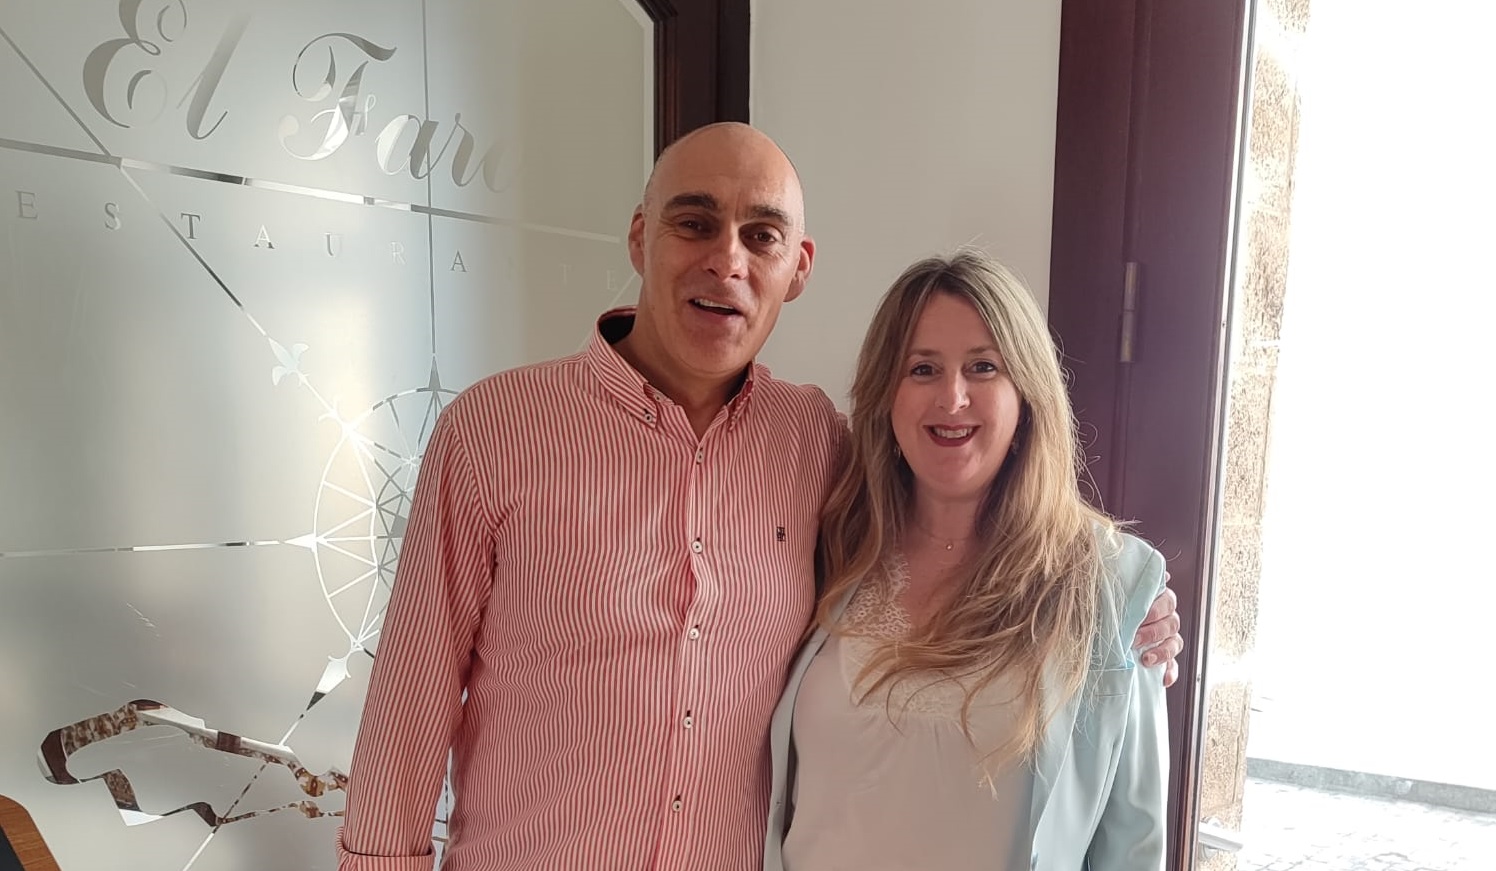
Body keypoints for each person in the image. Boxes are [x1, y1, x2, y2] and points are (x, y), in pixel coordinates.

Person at [336, 123, 1183, 870]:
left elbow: (967, 482)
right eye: (694, 222)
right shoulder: (496, 430)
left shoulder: (815, 443)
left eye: (761, 235)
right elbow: (409, 703)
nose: (727, 260)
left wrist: (1125, 596)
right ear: (639, 237)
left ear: (797, 267)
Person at [764, 250, 1169, 871]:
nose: (952, 398)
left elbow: (1133, 845)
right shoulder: (831, 544)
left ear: (1026, 393)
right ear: (886, 395)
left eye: (983, 367)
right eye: (922, 369)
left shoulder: (1109, 585)